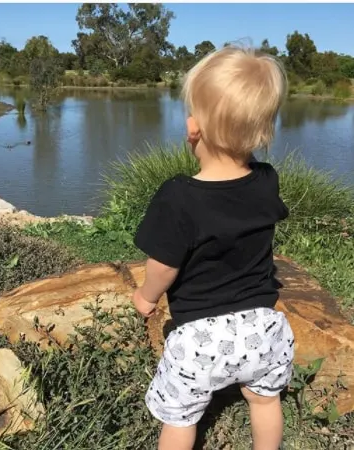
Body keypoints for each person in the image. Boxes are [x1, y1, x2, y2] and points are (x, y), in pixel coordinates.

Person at [132, 44, 294, 450]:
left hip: (199, 339)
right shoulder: (267, 180)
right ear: (261, 129)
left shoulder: (178, 196)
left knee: (181, 419)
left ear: (193, 128)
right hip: (263, 328)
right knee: (264, 399)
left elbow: (164, 265)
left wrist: (146, 296)